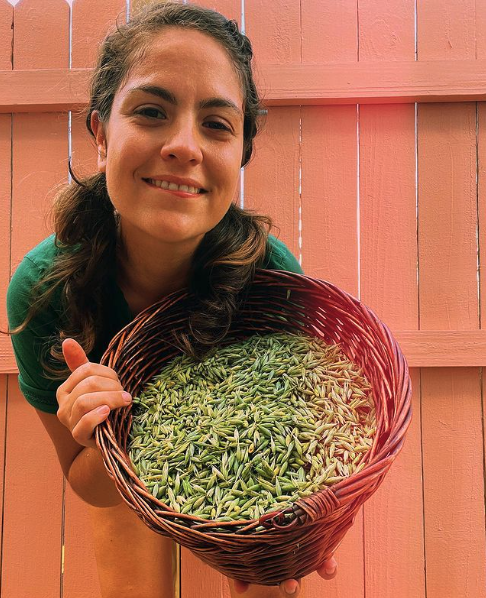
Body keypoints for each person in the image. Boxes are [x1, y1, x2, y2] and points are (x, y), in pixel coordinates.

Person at [5, 3, 338, 597]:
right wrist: (105, 434)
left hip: (240, 477)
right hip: (124, 480)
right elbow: (82, 480)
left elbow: (296, 441)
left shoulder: (271, 278)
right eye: (152, 112)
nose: (184, 146)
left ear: (241, 155)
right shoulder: (44, 289)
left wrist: (314, 518)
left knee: (270, 583)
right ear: (103, 135)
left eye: (216, 124)